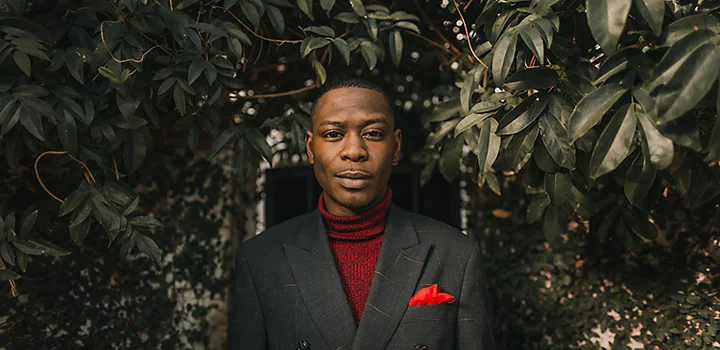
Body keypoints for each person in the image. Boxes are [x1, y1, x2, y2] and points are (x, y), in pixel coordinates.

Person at [228, 78, 495, 350]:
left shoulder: (456, 255)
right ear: (310, 148)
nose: (354, 151)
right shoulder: (260, 261)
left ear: (396, 146)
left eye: (373, 133)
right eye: (333, 134)